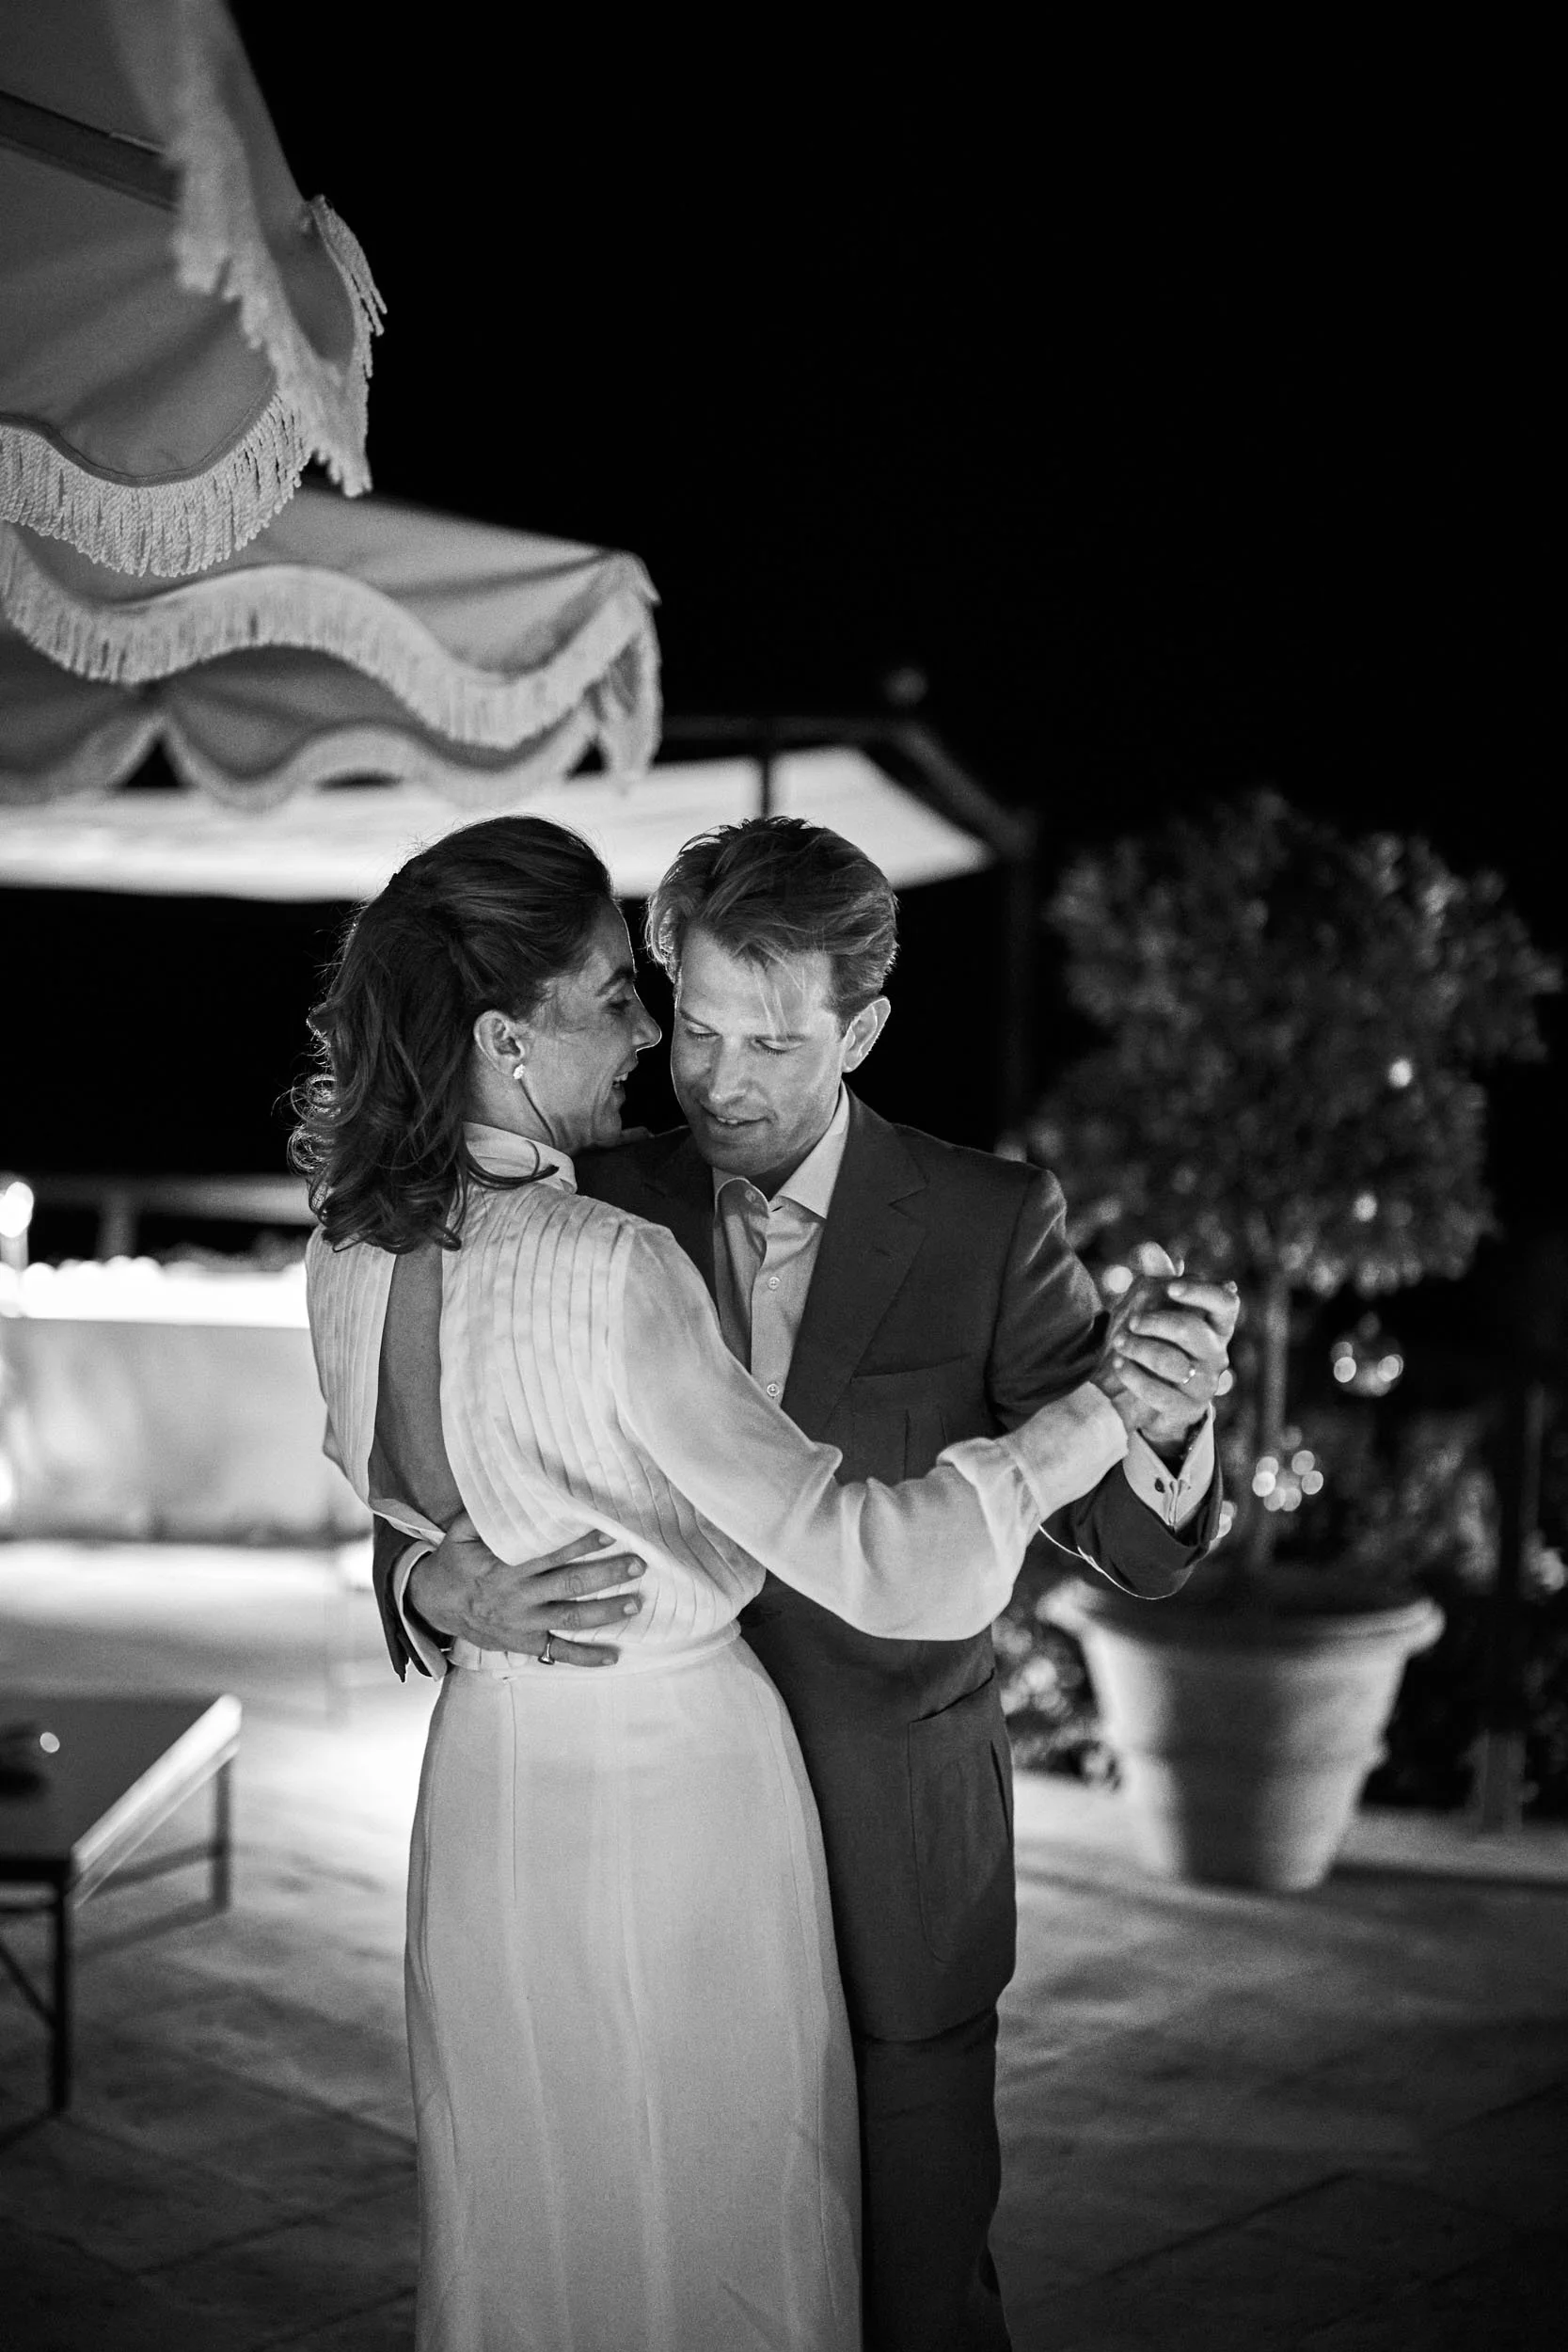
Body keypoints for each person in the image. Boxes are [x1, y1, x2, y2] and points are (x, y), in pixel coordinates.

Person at [301, 813, 1154, 2352]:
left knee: (805, 2260)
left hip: (853, 1830)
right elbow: (428, 1473)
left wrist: (1157, 1429)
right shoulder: (602, 1210)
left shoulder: (985, 1217)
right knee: (708, 2237)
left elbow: (1128, 1535)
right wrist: (435, 1585)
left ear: (862, 1028)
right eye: (673, 1015)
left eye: (765, 1038)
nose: (698, 1069)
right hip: (678, 1800)